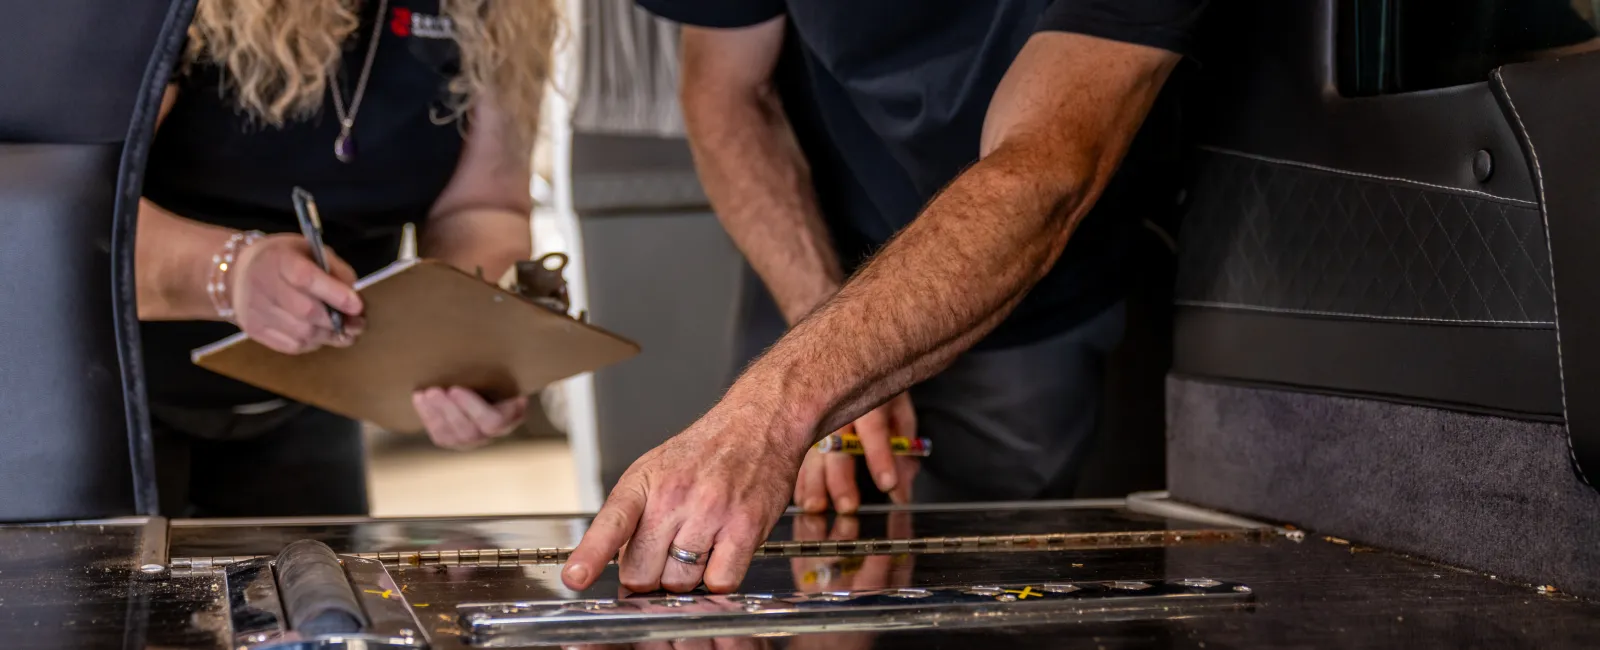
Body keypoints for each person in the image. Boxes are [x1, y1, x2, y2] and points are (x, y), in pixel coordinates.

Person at [562, 0, 1204, 594]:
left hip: (1036, 280)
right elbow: (727, 89)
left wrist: (773, 415)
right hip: (818, 251)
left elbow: (1044, 170)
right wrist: (827, 337)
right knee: (777, 578)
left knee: (989, 588)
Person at [134, 0, 557, 517]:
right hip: (109, 393)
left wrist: (462, 339)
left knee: (319, 595)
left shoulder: (501, 11)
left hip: (316, 392)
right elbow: (68, 216)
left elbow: (484, 207)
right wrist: (227, 272)